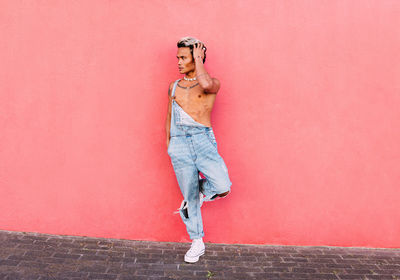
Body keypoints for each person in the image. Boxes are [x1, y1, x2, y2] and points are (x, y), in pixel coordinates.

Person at [165, 36, 232, 263]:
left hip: (203, 141)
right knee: (190, 197)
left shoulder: (212, 83)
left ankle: (201, 191)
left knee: (223, 186)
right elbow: (168, 118)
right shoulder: (174, 86)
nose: (179, 62)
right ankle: (197, 242)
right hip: (179, 143)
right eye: (179, 58)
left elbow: (204, 84)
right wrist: (170, 146)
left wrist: (199, 58)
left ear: (196, 57)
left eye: (184, 57)